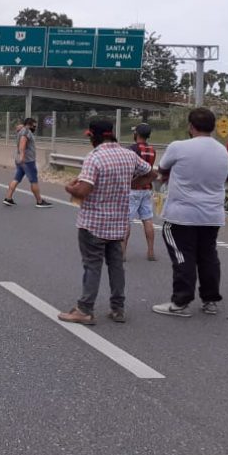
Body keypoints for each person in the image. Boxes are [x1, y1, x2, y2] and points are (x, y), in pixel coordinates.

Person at [58, 119, 154, 325]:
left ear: (94, 136)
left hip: (93, 223)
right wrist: (131, 185)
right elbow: (152, 174)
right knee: (116, 266)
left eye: (90, 136)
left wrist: (70, 188)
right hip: (118, 223)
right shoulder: (129, 155)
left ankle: (84, 309)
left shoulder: (95, 157)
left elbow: (83, 190)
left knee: (92, 265)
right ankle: (118, 308)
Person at [153, 107, 228, 317]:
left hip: (182, 215)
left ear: (191, 126)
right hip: (212, 214)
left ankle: (180, 302)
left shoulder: (178, 147)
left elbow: (162, 170)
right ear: (213, 127)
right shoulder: (222, 150)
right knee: (208, 256)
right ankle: (210, 300)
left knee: (182, 256)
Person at [3, 118, 52, 208]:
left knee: (16, 178)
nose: (35, 127)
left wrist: (21, 158)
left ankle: (8, 198)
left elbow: (18, 127)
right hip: (27, 161)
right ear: (29, 125)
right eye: (34, 126)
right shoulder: (26, 133)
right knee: (33, 180)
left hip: (20, 160)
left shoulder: (21, 130)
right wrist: (22, 156)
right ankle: (39, 201)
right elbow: (22, 143)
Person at [126, 123, 157, 259]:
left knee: (126, 221)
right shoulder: (152, 150)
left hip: (133, 188)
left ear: (137, 134)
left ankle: (121, 253)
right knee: (147, 219)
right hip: (147, 188)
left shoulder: (131, 150)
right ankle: (150, 252)